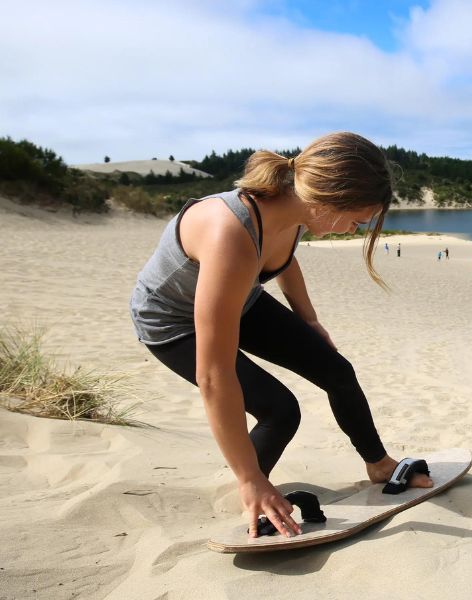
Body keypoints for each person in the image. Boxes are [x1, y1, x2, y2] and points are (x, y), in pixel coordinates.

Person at [129, 132, 432, 539]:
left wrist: (308, 323)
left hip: (240, 297)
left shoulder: (296, 209)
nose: (350, 231)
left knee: (336, 370)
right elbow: (214, 377)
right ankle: (253, 488)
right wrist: (250, 478)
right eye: (355, 221)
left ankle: (378, 463)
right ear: (326, 200)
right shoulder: (229, 233)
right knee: (280, 409)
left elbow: (283, 261)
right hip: (171, 320)